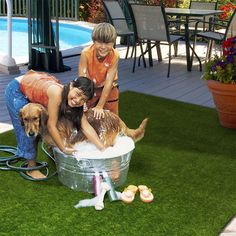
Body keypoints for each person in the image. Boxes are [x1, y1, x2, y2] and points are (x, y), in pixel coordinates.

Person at [5, 70, 105, 179]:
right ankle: (31, 168)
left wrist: (102, 148)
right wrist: (63, 149)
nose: (77, 100)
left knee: (45, 120)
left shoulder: (75, 100)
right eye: (77, 94)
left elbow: (86, 127)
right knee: (29, 130)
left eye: (83, 99)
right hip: (17, 89)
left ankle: (51, 151)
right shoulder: (57, 94)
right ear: (71, 85)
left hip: (34, 84)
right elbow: (51, 125)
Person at [78, 22, 120, 119]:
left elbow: (109, 82)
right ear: (94, 41)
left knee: (112, 118)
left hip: (109, 88)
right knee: (87, 116)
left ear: (113, 42)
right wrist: (83, 100)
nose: (103, 47)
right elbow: (82, 80)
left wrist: (100, 106)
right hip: (90, 88)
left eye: (107, 43)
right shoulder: (86, 53)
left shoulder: (115, 55)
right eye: (100, 42)